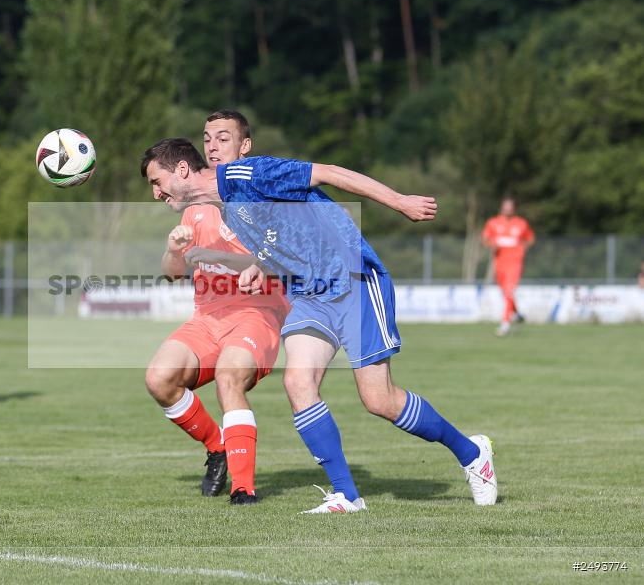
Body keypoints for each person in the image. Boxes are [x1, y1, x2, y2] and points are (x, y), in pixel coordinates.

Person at [140, 138, 497, 513]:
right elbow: (282, 238)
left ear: (181, 170)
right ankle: (347, 495)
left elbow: (328, 173)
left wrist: (399, 201)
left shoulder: (249, 172)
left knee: (379, 400)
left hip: (352, 280)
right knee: (297, 382)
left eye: (156, 181)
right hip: (311, 294)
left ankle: (472, 453)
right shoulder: (230, 208)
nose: (155, 193)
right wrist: (259, 266)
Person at [145, 111, 288, 505]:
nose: (211, 146)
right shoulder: (194, 208)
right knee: (159, 378)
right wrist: (175, 251)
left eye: (158, 182)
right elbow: (173, 273)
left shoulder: (255, 196)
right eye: (208, 139)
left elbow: (281, 254)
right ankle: (217, 448)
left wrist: (225, 259)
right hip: (207, 318)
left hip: (257, 314)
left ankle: (244, 489)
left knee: (229, 375)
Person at [482, 197, 535, 336]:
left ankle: (505, 324)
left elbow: (530, 238)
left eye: (510, 206)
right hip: (499, 262)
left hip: (515, 263)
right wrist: (491, 245)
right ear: (501, 208)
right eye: (505, 206)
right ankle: (516, 314)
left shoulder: (521, 223)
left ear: (514, 208)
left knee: (509, 292)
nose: (508, 209)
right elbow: (485, 239)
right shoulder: (493, 223)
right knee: (506, 293)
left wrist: (522, 249)